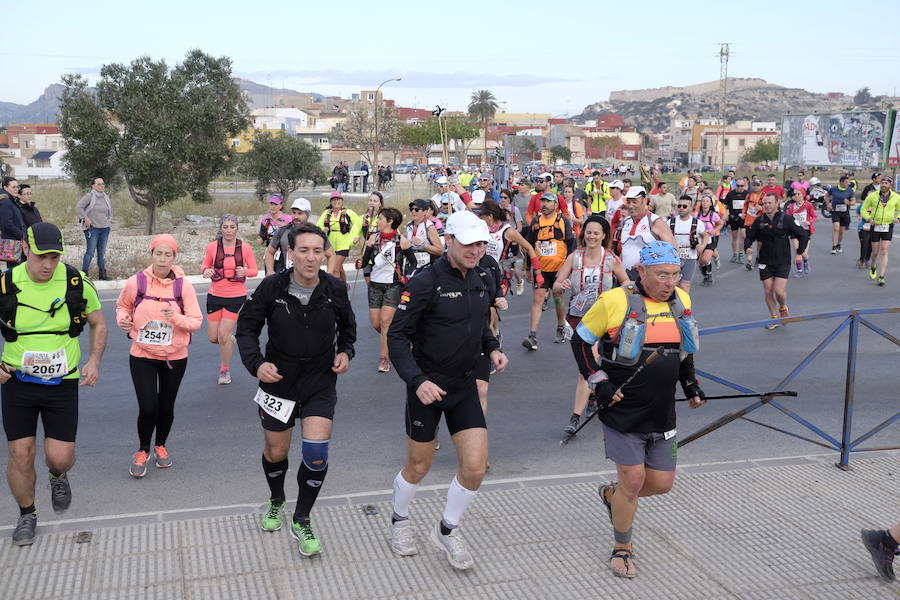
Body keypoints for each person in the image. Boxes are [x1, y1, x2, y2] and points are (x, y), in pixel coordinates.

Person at [569, 240, 705, 579]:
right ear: (641, 271)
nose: (670, 282)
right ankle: (623, 547)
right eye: (661, 275)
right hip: (623, 408)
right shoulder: (614, 301)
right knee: (633, 481)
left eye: (674, 274)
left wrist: (690, 385)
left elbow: (685, 350)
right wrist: (599, 383)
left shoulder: (681, 300)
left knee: (661, 483)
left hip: (662, 411)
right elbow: (581, 341)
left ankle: (614, 496)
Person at [386, 210, 508, 571]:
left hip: (465, 386)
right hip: (427, 387)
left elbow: (480, 323)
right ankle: (399, 519)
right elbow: (396, 337)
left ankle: (447, 528)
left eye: (481, 243)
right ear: (450, 241)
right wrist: (417, 381)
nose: (476, 250)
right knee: (419, 465)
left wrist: (493, 349)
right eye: (469, 243)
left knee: (474, 468)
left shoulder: (483, 275)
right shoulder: (425, 282)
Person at [236, 223, 356, 557]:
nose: (310, 257)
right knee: (276, 452)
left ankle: (302, 518)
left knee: (316, 455)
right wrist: (257, 364)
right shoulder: (272, 287)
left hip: (319, 381)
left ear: (324, 254)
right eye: (303, 250)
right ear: (291, 253)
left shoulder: (335, 288)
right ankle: (276, 499)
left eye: (317, 251)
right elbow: (246, 329)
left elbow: (349, 328)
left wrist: (346, 352)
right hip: (278, 380)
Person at [0, 222, 107, 546]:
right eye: (42, 256)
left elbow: (98, 322)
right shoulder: (6, 283)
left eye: (55, 257)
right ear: (25, 248)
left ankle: (57, 476)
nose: (48, 264)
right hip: (18, 381)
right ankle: (27, 514)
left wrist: (93, 361)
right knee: (20, 453)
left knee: (59, 457)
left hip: (62, 382)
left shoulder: (75, 281)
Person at [115, 234, 202, 477]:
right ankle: (142, 450)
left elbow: (196, 322)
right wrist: (123, 320)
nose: (163, 259)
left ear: (174, 257)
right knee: (148, 407)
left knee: (166, 406)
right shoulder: (137, 282)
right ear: (151, 254)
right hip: (142, 353)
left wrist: (175, 318)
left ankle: (160, 446)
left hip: (175, 356)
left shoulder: (183, 286)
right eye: (158, 253)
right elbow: (122, 306)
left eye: (168, 254)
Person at [553, 215, 629, 434]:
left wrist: (621, 294)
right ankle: (589, 400)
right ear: (583, 233)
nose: (592, 236)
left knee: (589, 365)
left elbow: (625, 281)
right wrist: (562, 285)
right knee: (588, 364)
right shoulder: (574, 258)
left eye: (596, 233)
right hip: (579, 318)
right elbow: (556, 286)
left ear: (604, 235)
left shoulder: (610, 258)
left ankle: (576, 415)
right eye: (588, 232)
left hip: (605, 317)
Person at [201, 214, 258, 384]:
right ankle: (230, 340)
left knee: (223, 335)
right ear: (220, 229)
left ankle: (224, 372)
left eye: (232, 227)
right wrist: (206, 271)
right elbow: (205, 265)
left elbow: (254, 270)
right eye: (225, 227)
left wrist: (245, 272)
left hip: (236, 296)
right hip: (215, 295)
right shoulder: (212, 247)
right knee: (214, 337)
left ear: (237, 228)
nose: (229, 231)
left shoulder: (245, 247)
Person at [744, 193, 810, 327]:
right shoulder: (759, 220)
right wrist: (747, 247)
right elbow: (749, 236)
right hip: (765, 260)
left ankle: (783, 307)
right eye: (765, 203)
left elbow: (803, 235)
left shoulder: (787, 219)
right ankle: (774, 318)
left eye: (770, 203)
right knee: (768, 290)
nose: (767, 206)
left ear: (777, 203)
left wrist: (799, 253)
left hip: (782, 260)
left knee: (778, 291)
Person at [360, 207, 412, 373]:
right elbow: (366, 261)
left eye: (381, 219)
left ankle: (384, 359)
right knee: (376, 323)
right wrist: (361, 266)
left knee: (385, 322)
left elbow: (413, 262)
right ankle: (398, 336)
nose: (378, 221)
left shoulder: (401, 240)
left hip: (393, 285)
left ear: (390, 221)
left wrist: (407, 276)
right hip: (375, 285)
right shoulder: (373, 238)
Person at [476, 199, 537, 338]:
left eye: (481, 215)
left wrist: (535, 270)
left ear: (489, 216)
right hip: (481, 273)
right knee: (484, 307)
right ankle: (491, 333)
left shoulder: (507, 230)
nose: (479, 218)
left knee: (491, 305)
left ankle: (494, 335)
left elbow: (528, 247)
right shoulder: (481, 229)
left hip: (500, 276)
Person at [523, 193, 572, 350]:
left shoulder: (563, 221)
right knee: (538, 300)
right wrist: (529, 268)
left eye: (548, 202)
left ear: (555, 205)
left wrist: (567, 269)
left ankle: (560, 326)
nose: (544, 204)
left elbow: (572, 245)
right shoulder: (536, 222)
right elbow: (529, 245)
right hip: (541, 270)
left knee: (558, 299)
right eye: (542, 201)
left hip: (559, 269)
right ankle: (532, 336)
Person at [617, 186, 677, 279]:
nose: (630, 206)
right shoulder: (626, 221)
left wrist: (646, 261)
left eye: (634, 202)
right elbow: (626, 248)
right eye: (628, 202)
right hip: (626, 278)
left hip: (648, 279)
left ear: (644, 201)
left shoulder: (656, 222)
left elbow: (673, 249)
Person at [266, 198, 333, 274]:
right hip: (286, 278)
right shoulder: (282, 231)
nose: (296, 216)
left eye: (300, 213)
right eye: (294, 213)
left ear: (308, 215)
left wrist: (329, 274)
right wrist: (270, 271)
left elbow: (331, 255)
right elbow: (269, 252)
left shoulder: (317, 234)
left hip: (310, 279)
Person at [860, 175, 900, 286]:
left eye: (886, 183)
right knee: (875, 252)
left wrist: (898, 218)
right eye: (882, 183)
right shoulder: (873, 196)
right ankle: (873, 265)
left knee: (884, 251)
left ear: (890, 185)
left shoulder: (896, 197)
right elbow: (863, 209)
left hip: (888, 226)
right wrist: (869, 219)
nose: (883, 185)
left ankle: (881, 276)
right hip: (875, 226)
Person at [317, 191, 362, 281]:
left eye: (338, 199)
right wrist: (323, 229)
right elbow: (318, 225)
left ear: (342, 201)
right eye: (334, 200)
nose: (336, 202)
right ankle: (344, 287)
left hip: (344, 242)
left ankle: (336, 291)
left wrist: (356, 236)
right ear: (330, 202)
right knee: (339, 268)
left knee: (335, 268)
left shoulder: (348, 212)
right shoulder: (326, 213)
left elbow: (359, 223)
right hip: (330, 244)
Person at [668, 197, 710, 293]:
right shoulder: (670, 222)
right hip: (673, 258)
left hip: (690, 258)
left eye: (684, 206)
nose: (681, 208)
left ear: (691, 208)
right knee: (674, 285)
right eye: (679, 206)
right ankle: (674, 306)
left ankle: (685, 307)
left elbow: (705, 236)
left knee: (685, 285)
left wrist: (703, 246)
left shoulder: (697, 223)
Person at [75, 177, 113, 281]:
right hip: (92, 229)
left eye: (103, 184)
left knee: (102, 252)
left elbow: (109, 211)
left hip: (104, 229)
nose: (102, 186)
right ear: (93, 186)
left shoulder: (106, 197)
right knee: (90, 252)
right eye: (99, 184)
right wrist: (85, 218)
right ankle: (84, 274)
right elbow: (79, 207)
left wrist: (109, 221)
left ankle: (102, 274)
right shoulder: (89, 196)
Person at [405, 199, 443, 278]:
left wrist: (423, 245)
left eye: (417, 209)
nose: (413, 211)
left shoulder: (429, 226)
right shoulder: (409, 225)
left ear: (425, 212)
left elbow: (440, 250)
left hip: (426, 267)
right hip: (411, 265)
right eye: (411, 209)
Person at [785, 190, 817, 276]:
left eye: (799, 194)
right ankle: (799, 270)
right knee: (798, 251)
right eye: (795, 194)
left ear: (803, 195)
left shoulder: (808, 205)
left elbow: (814, 216)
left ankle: (806, 262)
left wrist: (809, 222)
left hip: (805, 231)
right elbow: (788, 218)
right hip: (795, 231)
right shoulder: (791, 206)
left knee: (804, 253)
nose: (797, 196)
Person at [0, 177, 26, 269]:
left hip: (16, 242)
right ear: (5, 187)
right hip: (13, 243)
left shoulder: (11, 200)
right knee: (15, 270)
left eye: (17, 187)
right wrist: (22, 235)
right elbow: (6, 224)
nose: (16, 189)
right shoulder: (5, 201)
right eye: (13, 187)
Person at [696, 194, 723, 285]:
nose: (705, 203)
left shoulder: (714, 215)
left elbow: (720, 224)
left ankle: (709, 274)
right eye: (703, 201)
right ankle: (705, 276)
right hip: (699, 239)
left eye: (707, 201)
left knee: (706, 259)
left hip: (710, 238)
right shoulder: (697, 215)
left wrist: (714, 230)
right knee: (700, 261)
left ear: (711, 204)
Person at [825, 175, 855, 254]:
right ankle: (834, 246)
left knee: (841, 231)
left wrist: (848, 202)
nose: (847, 184)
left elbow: (853, 202)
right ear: (841, 182)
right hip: (835, 211)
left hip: (845, 212)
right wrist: (828, 204)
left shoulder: (850, 190)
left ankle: (838, 244)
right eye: (846, 182)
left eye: (848, 182)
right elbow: (826, 196)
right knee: (836, 228)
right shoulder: (834, 189)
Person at [257, 195, 291, 262]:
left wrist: (284, 227)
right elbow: (262, 235)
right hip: (269, 250)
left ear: (281, 205)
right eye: (271, 204)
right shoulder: (265, 219)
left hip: (284, 250)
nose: (273, 206)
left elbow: (293, 234)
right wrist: (260, 239)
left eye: (275, 204)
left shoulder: (287, 218)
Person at [724, 177, 749, 264]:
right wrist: (726, 214)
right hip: (733, 217)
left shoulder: (747, 194)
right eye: (738, 185)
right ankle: (735, 254)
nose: (740, 187)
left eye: (742, 186)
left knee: (743, 236)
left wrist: (747, 215)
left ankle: (741, 254)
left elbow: (750, 206)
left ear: (744, 185)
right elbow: (726, 205)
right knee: (734, 237)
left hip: (743, 218)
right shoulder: (730, 194)